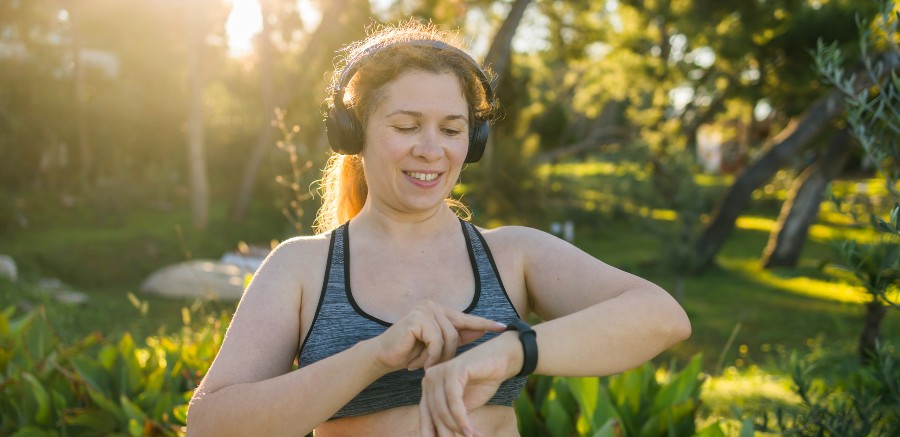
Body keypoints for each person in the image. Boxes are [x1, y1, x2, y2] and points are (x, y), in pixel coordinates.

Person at [186, 20, 691, 437]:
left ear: (472, 141)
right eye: (406, 126)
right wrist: (374, 355)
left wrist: (513, 350)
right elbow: (209, 424)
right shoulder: (302, 268)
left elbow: (662, 316)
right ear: (355, 134)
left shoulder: (512, 255)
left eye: (451, 130)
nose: (431, 149)